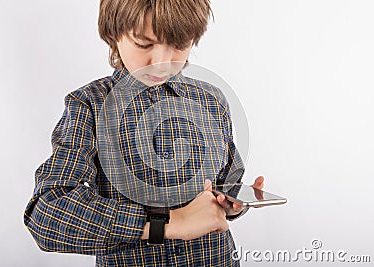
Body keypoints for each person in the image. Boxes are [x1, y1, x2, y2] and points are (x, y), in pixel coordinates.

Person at [24, 0, 265, 266]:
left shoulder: (212, 100)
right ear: (114, 35)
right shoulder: (90, 105)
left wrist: (230, 203)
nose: (161, 63)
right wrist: (169, 223)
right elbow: (46, 215)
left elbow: (225, 183)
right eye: (144, 44)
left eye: (178, 44)